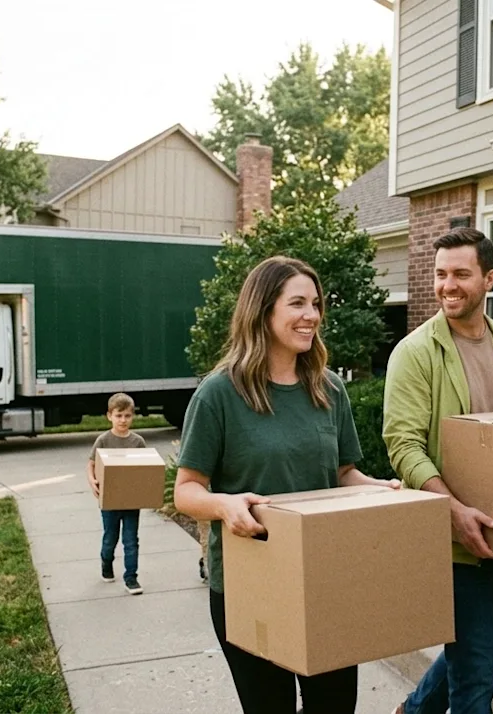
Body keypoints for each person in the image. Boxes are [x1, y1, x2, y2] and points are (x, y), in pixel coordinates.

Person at [173, 255, 400, 714]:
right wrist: (224, 505)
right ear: (263, 311)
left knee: (334, 707)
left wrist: (376, 487)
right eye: (297, 303)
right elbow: (187, 490)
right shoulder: (219, 394)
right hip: (250, 582)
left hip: (324, 576)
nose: (311, 315)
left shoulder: (328, 388)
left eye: (315, 304)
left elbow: (342, 474)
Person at [383, 227, 493, 714]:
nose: (447, 285)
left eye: (461, 274)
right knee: (475, 678)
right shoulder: (415, 353)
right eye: (440, 274)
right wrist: (454, 511)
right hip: (453, 540)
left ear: (489, 279)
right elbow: (403, 444)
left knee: (486, 652)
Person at [87, 392, 148, 595]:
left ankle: (131, 578)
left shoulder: (138, 442)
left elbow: (145, 468)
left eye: (127, 416)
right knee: (110, 539)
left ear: (133, 416)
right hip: (110, 501)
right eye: (119, 415)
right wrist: (92, 481)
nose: (123, 420)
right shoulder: (103, 440)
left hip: (131, 501)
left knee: (131, 540)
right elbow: (92, 463)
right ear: (109, 416)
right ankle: (106, 562)